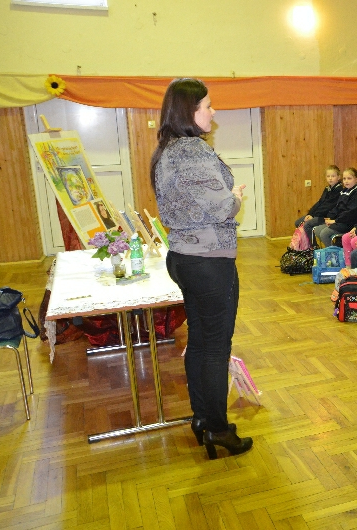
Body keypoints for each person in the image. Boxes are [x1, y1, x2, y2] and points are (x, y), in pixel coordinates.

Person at [151, 78, 252, 458]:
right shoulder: (192, 151)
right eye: (208, 105)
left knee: (200, 342)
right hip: (208, 261)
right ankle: (218, 429)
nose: (214, 111)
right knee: (215, 348)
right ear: (189, 111)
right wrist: (235, 197)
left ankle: (202, 418)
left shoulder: (168, 150)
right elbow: (221, 207)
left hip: (185, 256)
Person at [315, 168, 357, 247]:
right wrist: (330, 217)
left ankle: (334, 252)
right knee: (318, 230)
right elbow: (337, 207)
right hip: (340, 220)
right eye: (344, 179)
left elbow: (350, 213)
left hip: (349, 223)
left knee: (325, 233)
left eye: (349, 178)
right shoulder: (344, 191)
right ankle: (332, 249)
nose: (346, 181)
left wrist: (335, 221)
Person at [298, 165, 342, 242]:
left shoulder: (339, 190)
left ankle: (313, 246)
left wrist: (314, 216)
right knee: (298, 222)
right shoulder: (327, 188)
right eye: (328, 176)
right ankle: (304, 245)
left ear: (338, 177)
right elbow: (320, 202)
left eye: (333, 176)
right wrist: (310, 214)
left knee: (307, 225)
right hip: (319, 214)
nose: (330, 178)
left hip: (326, 217)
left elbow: (328, 207)